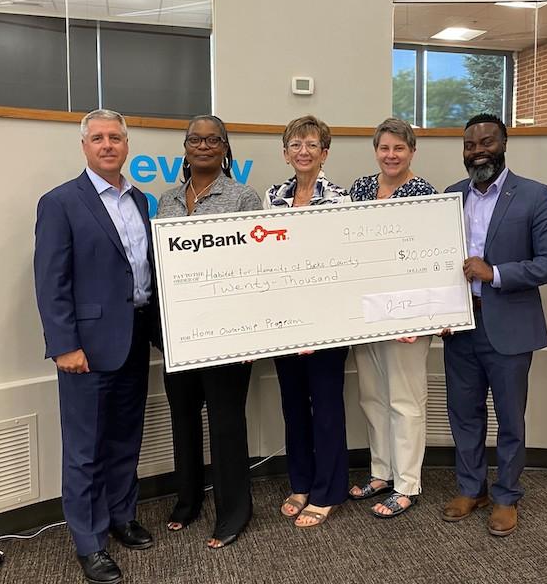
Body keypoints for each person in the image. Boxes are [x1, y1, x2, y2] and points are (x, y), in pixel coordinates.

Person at [34, 109, 156, 584]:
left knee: (126, 438)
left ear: (127, 145)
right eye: (98, 138)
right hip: (84, 350)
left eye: (116, 138)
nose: (108, 145)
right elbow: (51, 281)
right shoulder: (61, 202)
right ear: (84, 146)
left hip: (134, 340)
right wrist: (64, 344)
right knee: (83, 449)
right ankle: (89, 542)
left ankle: (122, 516)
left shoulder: (140, 200)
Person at [441, 113, 547, 537]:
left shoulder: (533, 195)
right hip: (460, 327)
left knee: (510, 418)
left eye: (487, 142)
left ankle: (507, 495)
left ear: (504, 143)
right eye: (470, 145)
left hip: (510, 327)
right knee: (464, 414)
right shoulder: (450, 197)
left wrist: (493, 273)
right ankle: (470, 488)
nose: (478, 150)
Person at [156, 115, 262, 548]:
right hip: (178, 332)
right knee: (183, 420)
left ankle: (234, 512)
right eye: (195, 139)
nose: (203, 145)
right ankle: (188, 501)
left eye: (212, 139)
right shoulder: (166, 199)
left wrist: (251, 334)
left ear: (225, 147)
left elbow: (257, 267)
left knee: (225, 423)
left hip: (227, 333)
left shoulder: (243, 196)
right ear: (184, 146)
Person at [348, 118, 437, 518]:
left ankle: (407, 484)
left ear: (412, 152)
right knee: (372, 396)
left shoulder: (426, 195)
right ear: (376, 150)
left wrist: (417, 318)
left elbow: (434, 262)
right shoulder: (361, 189)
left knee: (405, 401)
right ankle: (381, 472)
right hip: (366, 312)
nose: (391, 155)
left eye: (399, 149)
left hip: (408, 319)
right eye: (384, 148)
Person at [265, 115, 351, 528]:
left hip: (327, 321)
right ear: (285, 153)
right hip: (284, 322)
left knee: (327, 406)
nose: (303, 151)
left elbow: (342, 264)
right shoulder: (271, 198)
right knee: (293, 404)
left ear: (324, 153)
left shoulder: (340, 199)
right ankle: (300, 483)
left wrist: (318, 319)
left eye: (312, 145)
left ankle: (328, 491)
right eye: (295, 144)